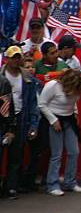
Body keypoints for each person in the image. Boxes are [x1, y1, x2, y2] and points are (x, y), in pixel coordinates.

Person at [2, 47, 40, 200]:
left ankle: (11, 187)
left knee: (16, 156)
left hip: (19, 118)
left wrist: (33, 125)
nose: (16, 60)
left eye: (19, 57)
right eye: (13, 57)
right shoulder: (1, 77)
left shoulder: (27, 79)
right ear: (7, 59)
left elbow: (33, 103)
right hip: (2, 120)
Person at [38, 69, 81, 196]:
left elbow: (74, 102)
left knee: (74, 151)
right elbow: (42, 104)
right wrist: (53, 120)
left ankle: (70, 181)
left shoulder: (77, 87)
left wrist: (75, 113)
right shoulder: (52, 86)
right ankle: (52, 184)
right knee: (56, 154)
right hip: (55, 120)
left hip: (69, 120)